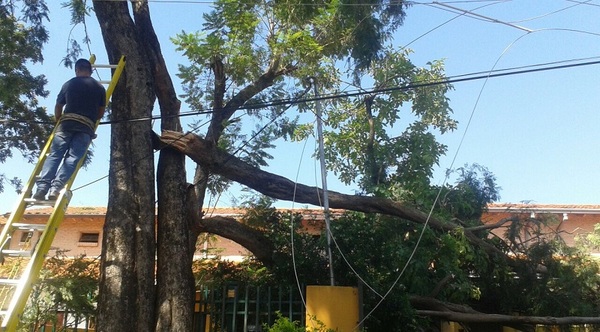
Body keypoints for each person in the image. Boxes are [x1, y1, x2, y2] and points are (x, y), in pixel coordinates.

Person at [32, 58, 106, 201]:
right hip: (85, 127)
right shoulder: (100, 88)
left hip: (65, 125)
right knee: (72, 158)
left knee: (54, 155)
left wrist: (58, 120)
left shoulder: (69, 84)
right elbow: (100, 113)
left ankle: (41, 189)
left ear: (77, 70)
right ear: (91, 71)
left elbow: (59, 105)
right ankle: (55, 189)